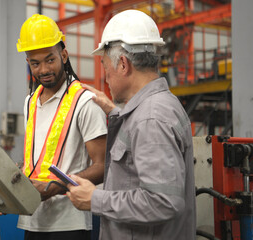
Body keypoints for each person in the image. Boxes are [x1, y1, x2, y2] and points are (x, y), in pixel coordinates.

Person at [66, 10, 196, 240]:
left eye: (106, 69)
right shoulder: (155, 108)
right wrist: (116, 113)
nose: (106, 78)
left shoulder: (150, 119)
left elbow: (163, 202)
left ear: (123, 65)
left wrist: (95, 198)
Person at [16, 14, 107, 240]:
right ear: (28, 63)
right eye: (35, 63)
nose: (44, 69)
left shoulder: (85, 102)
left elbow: (104, 166)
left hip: (70, 223)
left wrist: (57, 186)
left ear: (63, 55)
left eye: (50, 60)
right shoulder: (30, 102)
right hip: (32, 219)